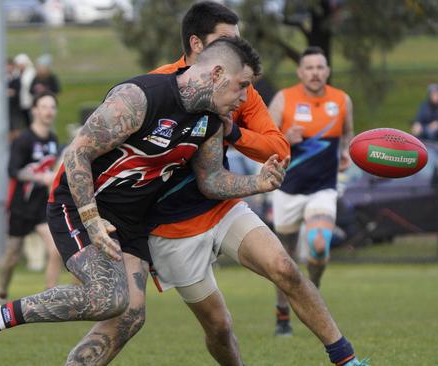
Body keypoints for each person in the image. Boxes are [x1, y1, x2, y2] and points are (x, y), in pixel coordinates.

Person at [0, 37, 287, 366]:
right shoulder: (140, 98)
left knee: (130, 315)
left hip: (130, 221)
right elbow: (78, 153)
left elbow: (211, 180)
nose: (245, 98)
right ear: (217, 73)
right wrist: (91, 219)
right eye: (242, 85)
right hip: (77, 204)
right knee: (108, 299)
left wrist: (257, 182)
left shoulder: (211, 121)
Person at [84, 3, 366, 366]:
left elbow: (278, 147)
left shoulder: (240, 88)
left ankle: (346, 359)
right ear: (198, 45)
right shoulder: (154, 89)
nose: (238, 49)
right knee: (219, 328)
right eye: (227, 41)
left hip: (223, 206)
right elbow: (100, 155)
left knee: (284, 267)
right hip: (171, 229)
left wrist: (230, 129)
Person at [267, 45, 354, 336]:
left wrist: (346, 153)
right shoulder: (284, 99)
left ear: (327, 71)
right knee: (284, 260)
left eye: (320, 67)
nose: (315, 73)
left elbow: (348, 134)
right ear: (300, 72)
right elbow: (262, 140)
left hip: (323, 189)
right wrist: (284, 138)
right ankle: (283, 316)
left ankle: (311, 290)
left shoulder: (341, 100)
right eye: (310, 68)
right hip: (287, 189)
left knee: (319, 245)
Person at [0, 91, 63, 304]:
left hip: (41, 208)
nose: (48, 111)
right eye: (44, 106)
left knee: (56, 248)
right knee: (12, 256)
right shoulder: (24, 139)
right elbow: (13, 170)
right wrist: (40, 177)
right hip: (20, 207)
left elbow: (53, 169)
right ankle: (2, 293)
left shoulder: (53, 139)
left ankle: (49, 296)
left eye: (52, 107)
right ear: (35, 110)